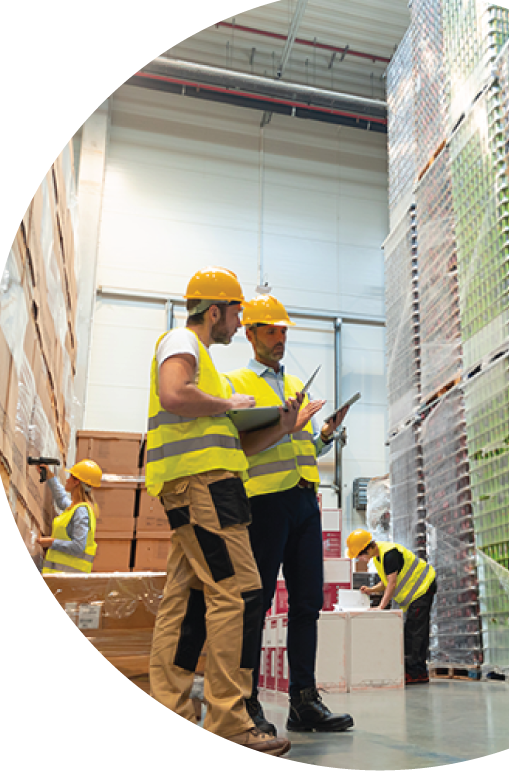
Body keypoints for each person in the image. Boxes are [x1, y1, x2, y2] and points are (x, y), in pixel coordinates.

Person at [146, 267, 303, 755]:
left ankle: (174, 705)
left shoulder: (203, 363)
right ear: (214, 311)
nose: (239, 323)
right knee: (236, 593)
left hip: (199, 490)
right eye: (236, 312)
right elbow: (174, 393)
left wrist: (286, 425)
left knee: (182, 600)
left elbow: (236, 444)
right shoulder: (182, 342)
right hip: (204, 491)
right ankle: (231, 721)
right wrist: (228, 402)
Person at [224, 294, 354, 735]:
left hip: (303, 502)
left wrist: (325, 436)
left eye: (284, 331)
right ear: (250, 334)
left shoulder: (297, 383)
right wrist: (286, 427)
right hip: (263, 502)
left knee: (306, 604)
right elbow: (240, 447)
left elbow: (304, 447)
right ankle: (246, 702)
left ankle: (303, 701)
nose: (280, 338)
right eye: (270, 331)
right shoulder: (237, 384)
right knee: (254, 605)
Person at [346, 530, 437, 685]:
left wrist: (381, 606)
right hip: (417, 592)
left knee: (414, 632)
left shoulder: (389, 554)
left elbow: (392, 584)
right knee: (416, 630)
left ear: (367, 548)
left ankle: (414, 672)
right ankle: (420, 671)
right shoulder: (378, 558)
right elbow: (386, 582)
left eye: (359, 555)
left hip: (423, 587)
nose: (360, 559)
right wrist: (371, 590)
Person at [38, 460, 102, 574]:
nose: (67, 479)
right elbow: (62, 501)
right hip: (61, 579)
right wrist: (51, 478)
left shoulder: (81, 511)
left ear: (77, 481)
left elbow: (78, 546)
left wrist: (51, 542)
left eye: (70, 476)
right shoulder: (76, 508)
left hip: (66, 581)